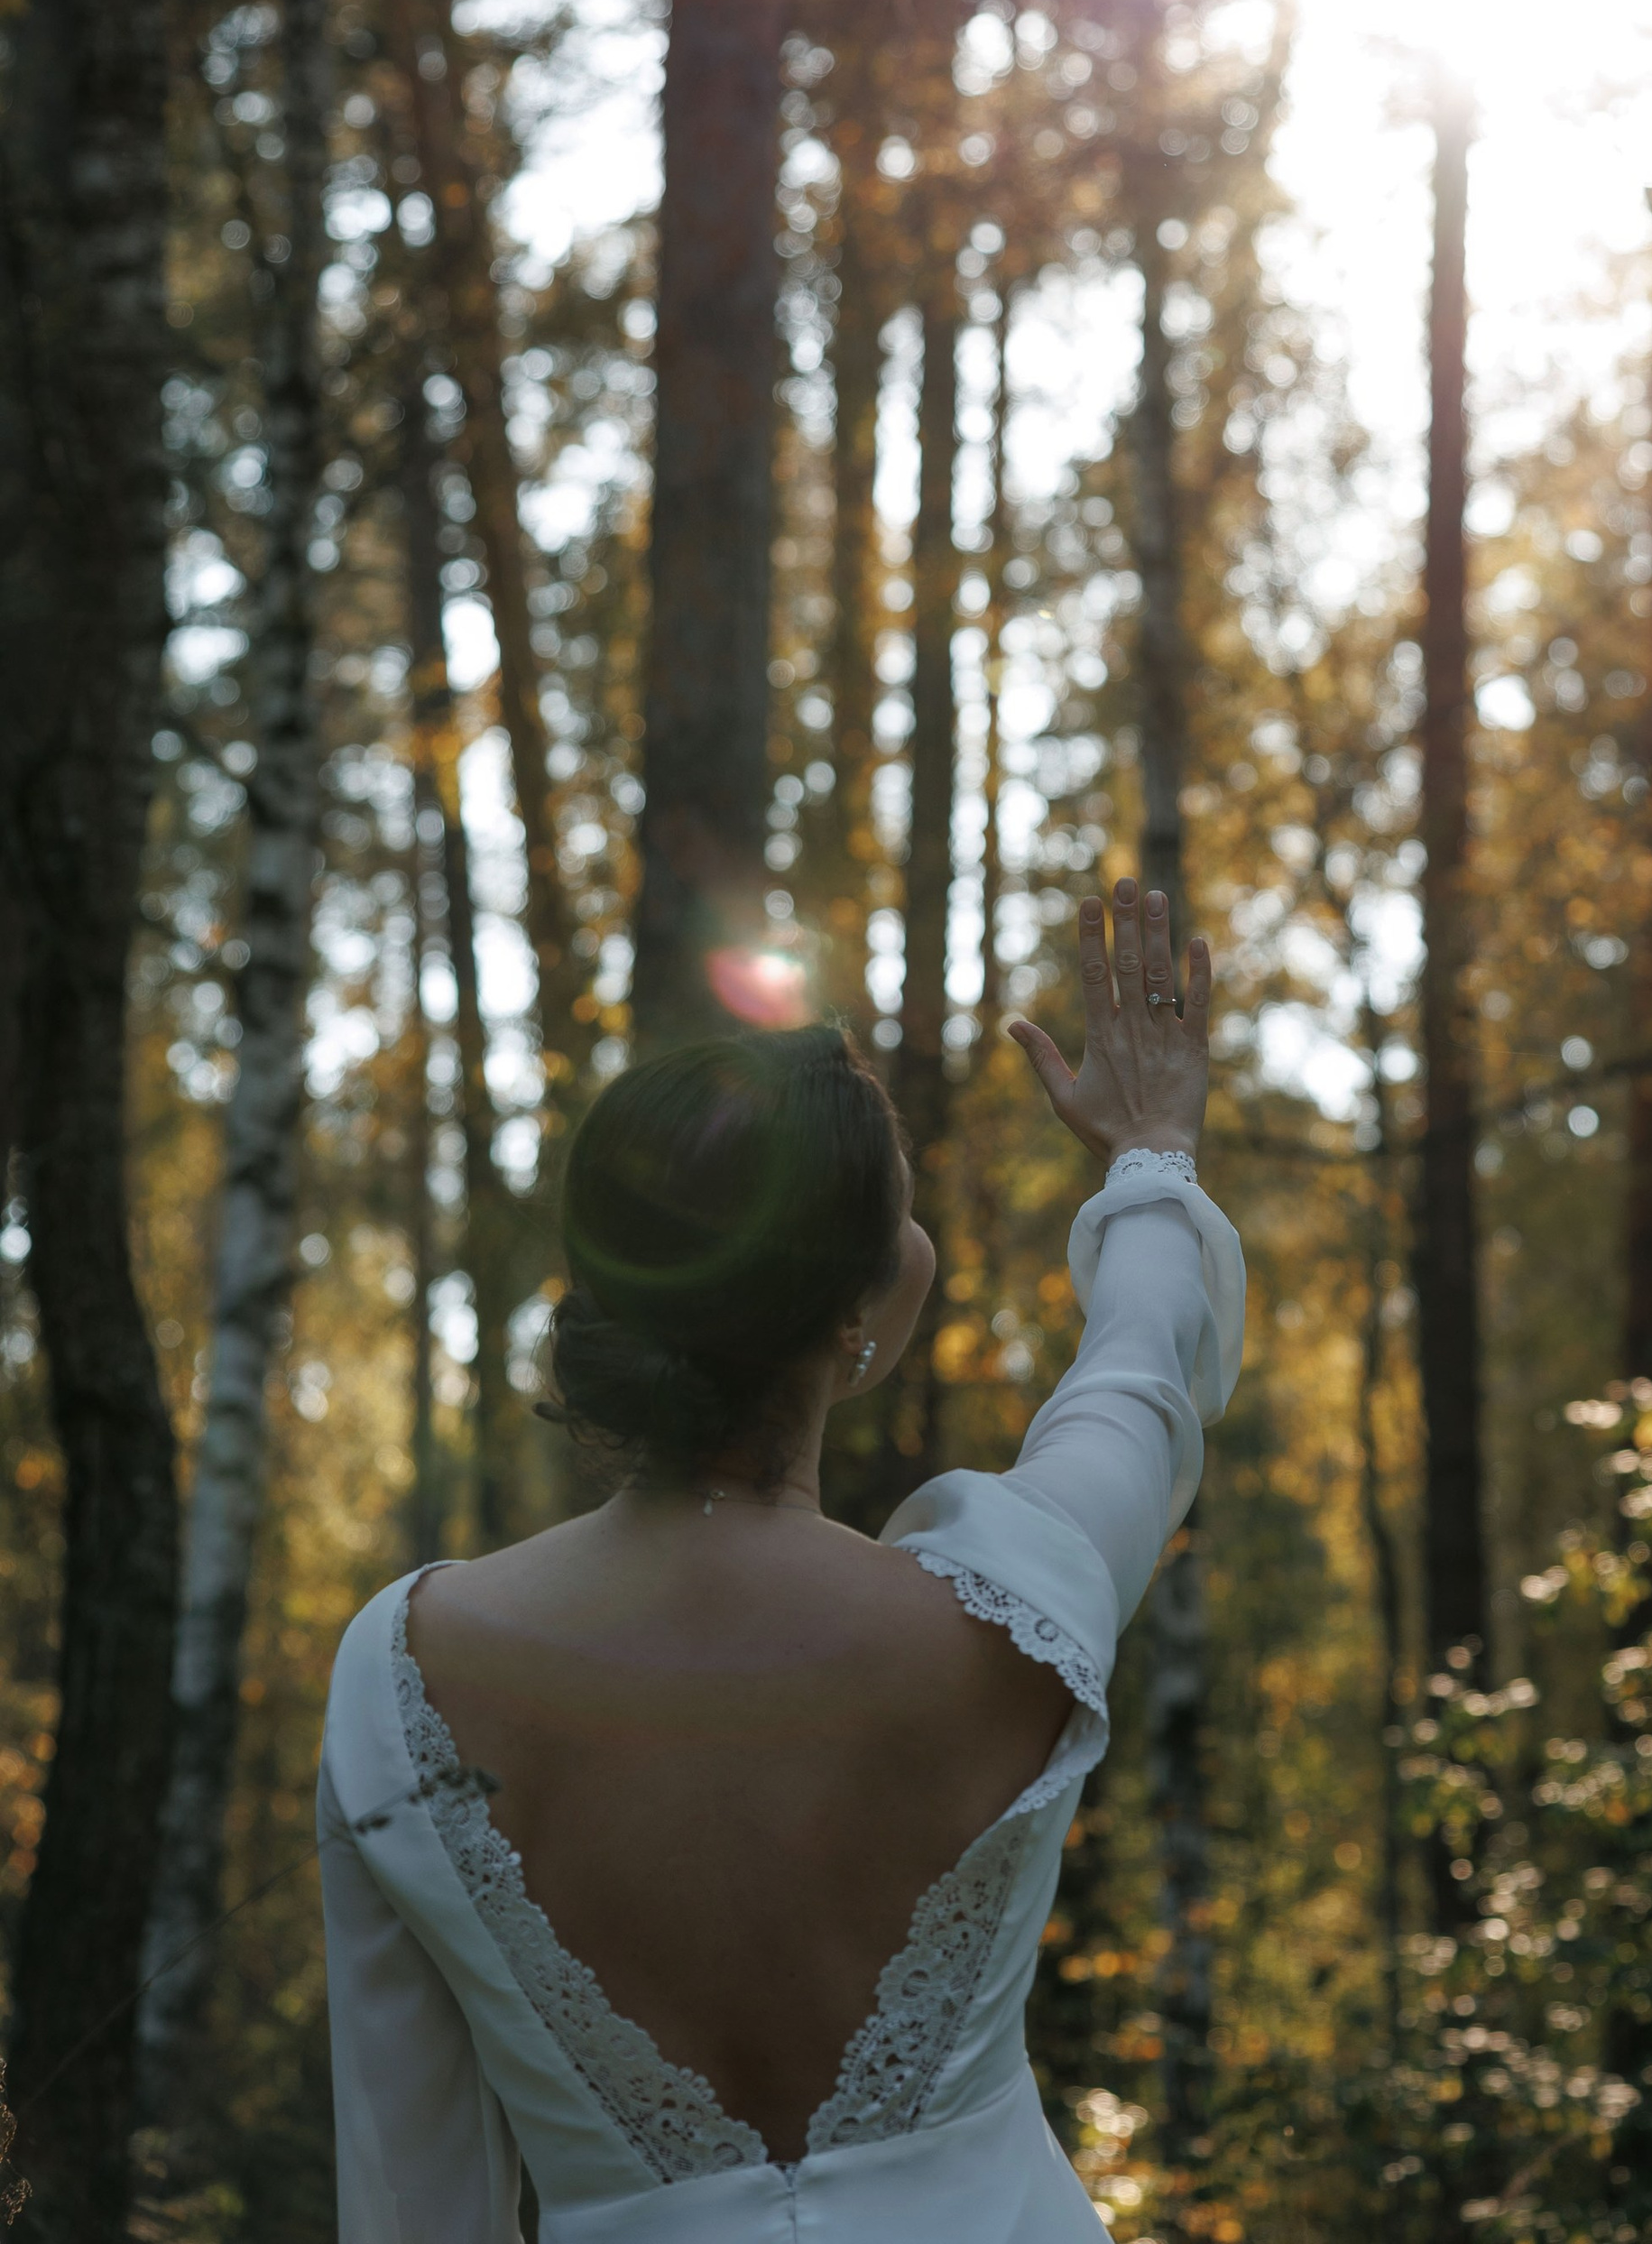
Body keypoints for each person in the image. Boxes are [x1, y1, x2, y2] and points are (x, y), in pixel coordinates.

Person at [318, 878, 1241, 2244]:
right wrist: (1152, 1145)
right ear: (861, 1309)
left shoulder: (406, 1667)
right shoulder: (1019, 1605)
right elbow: (1138, 1372)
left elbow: (414, 2194)